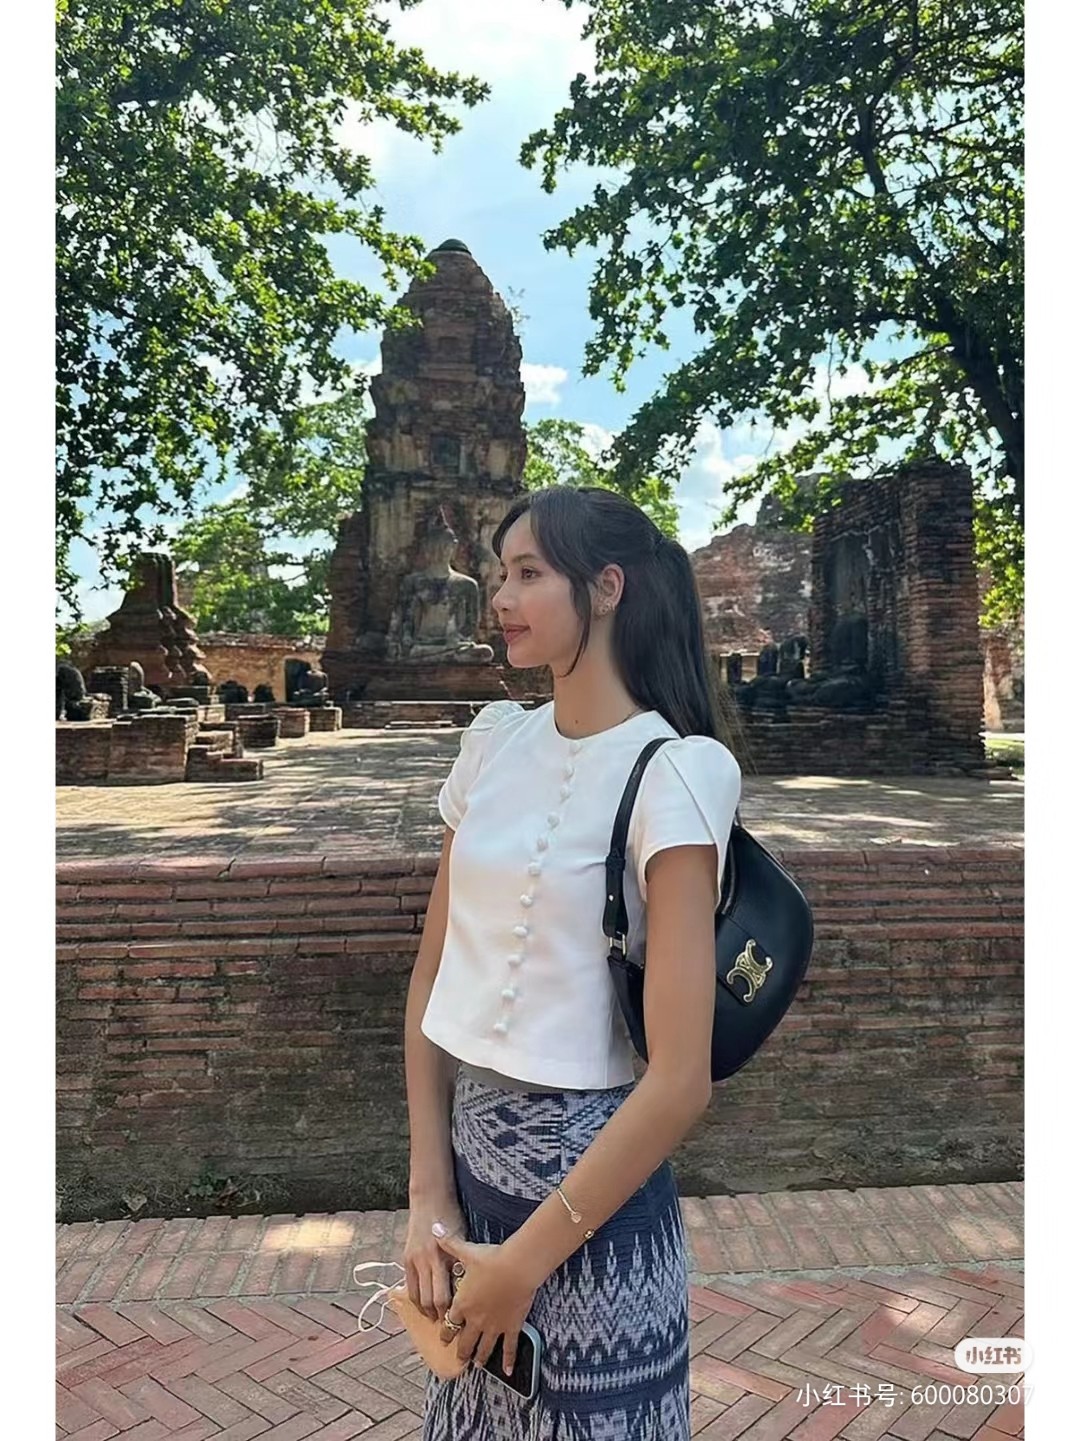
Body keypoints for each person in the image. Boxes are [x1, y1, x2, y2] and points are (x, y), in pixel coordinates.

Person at [404, 486, 742, 1440]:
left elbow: (680, 1078)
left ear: (606, 587)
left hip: (595, 1210)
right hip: (470, 1182)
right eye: (498, 572)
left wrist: (525, 1262)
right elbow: (431, 980)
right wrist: (428, 1194)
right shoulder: (492, 744)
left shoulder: (676, 771)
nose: (499, 596)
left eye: (528, 573)